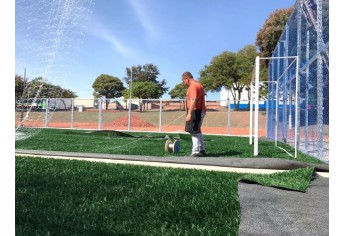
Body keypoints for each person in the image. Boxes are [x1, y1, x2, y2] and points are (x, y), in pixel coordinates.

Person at [181, 71, 206, 157]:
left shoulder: (193, 86)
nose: (184, 83)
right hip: (200, 110)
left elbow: (194, 99)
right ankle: (201, 149)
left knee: (193, 131)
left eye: (183, 81)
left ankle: (195, 151)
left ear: (187, 79)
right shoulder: (199, 84)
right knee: (197, 130)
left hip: (196, 111)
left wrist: (189, 113)